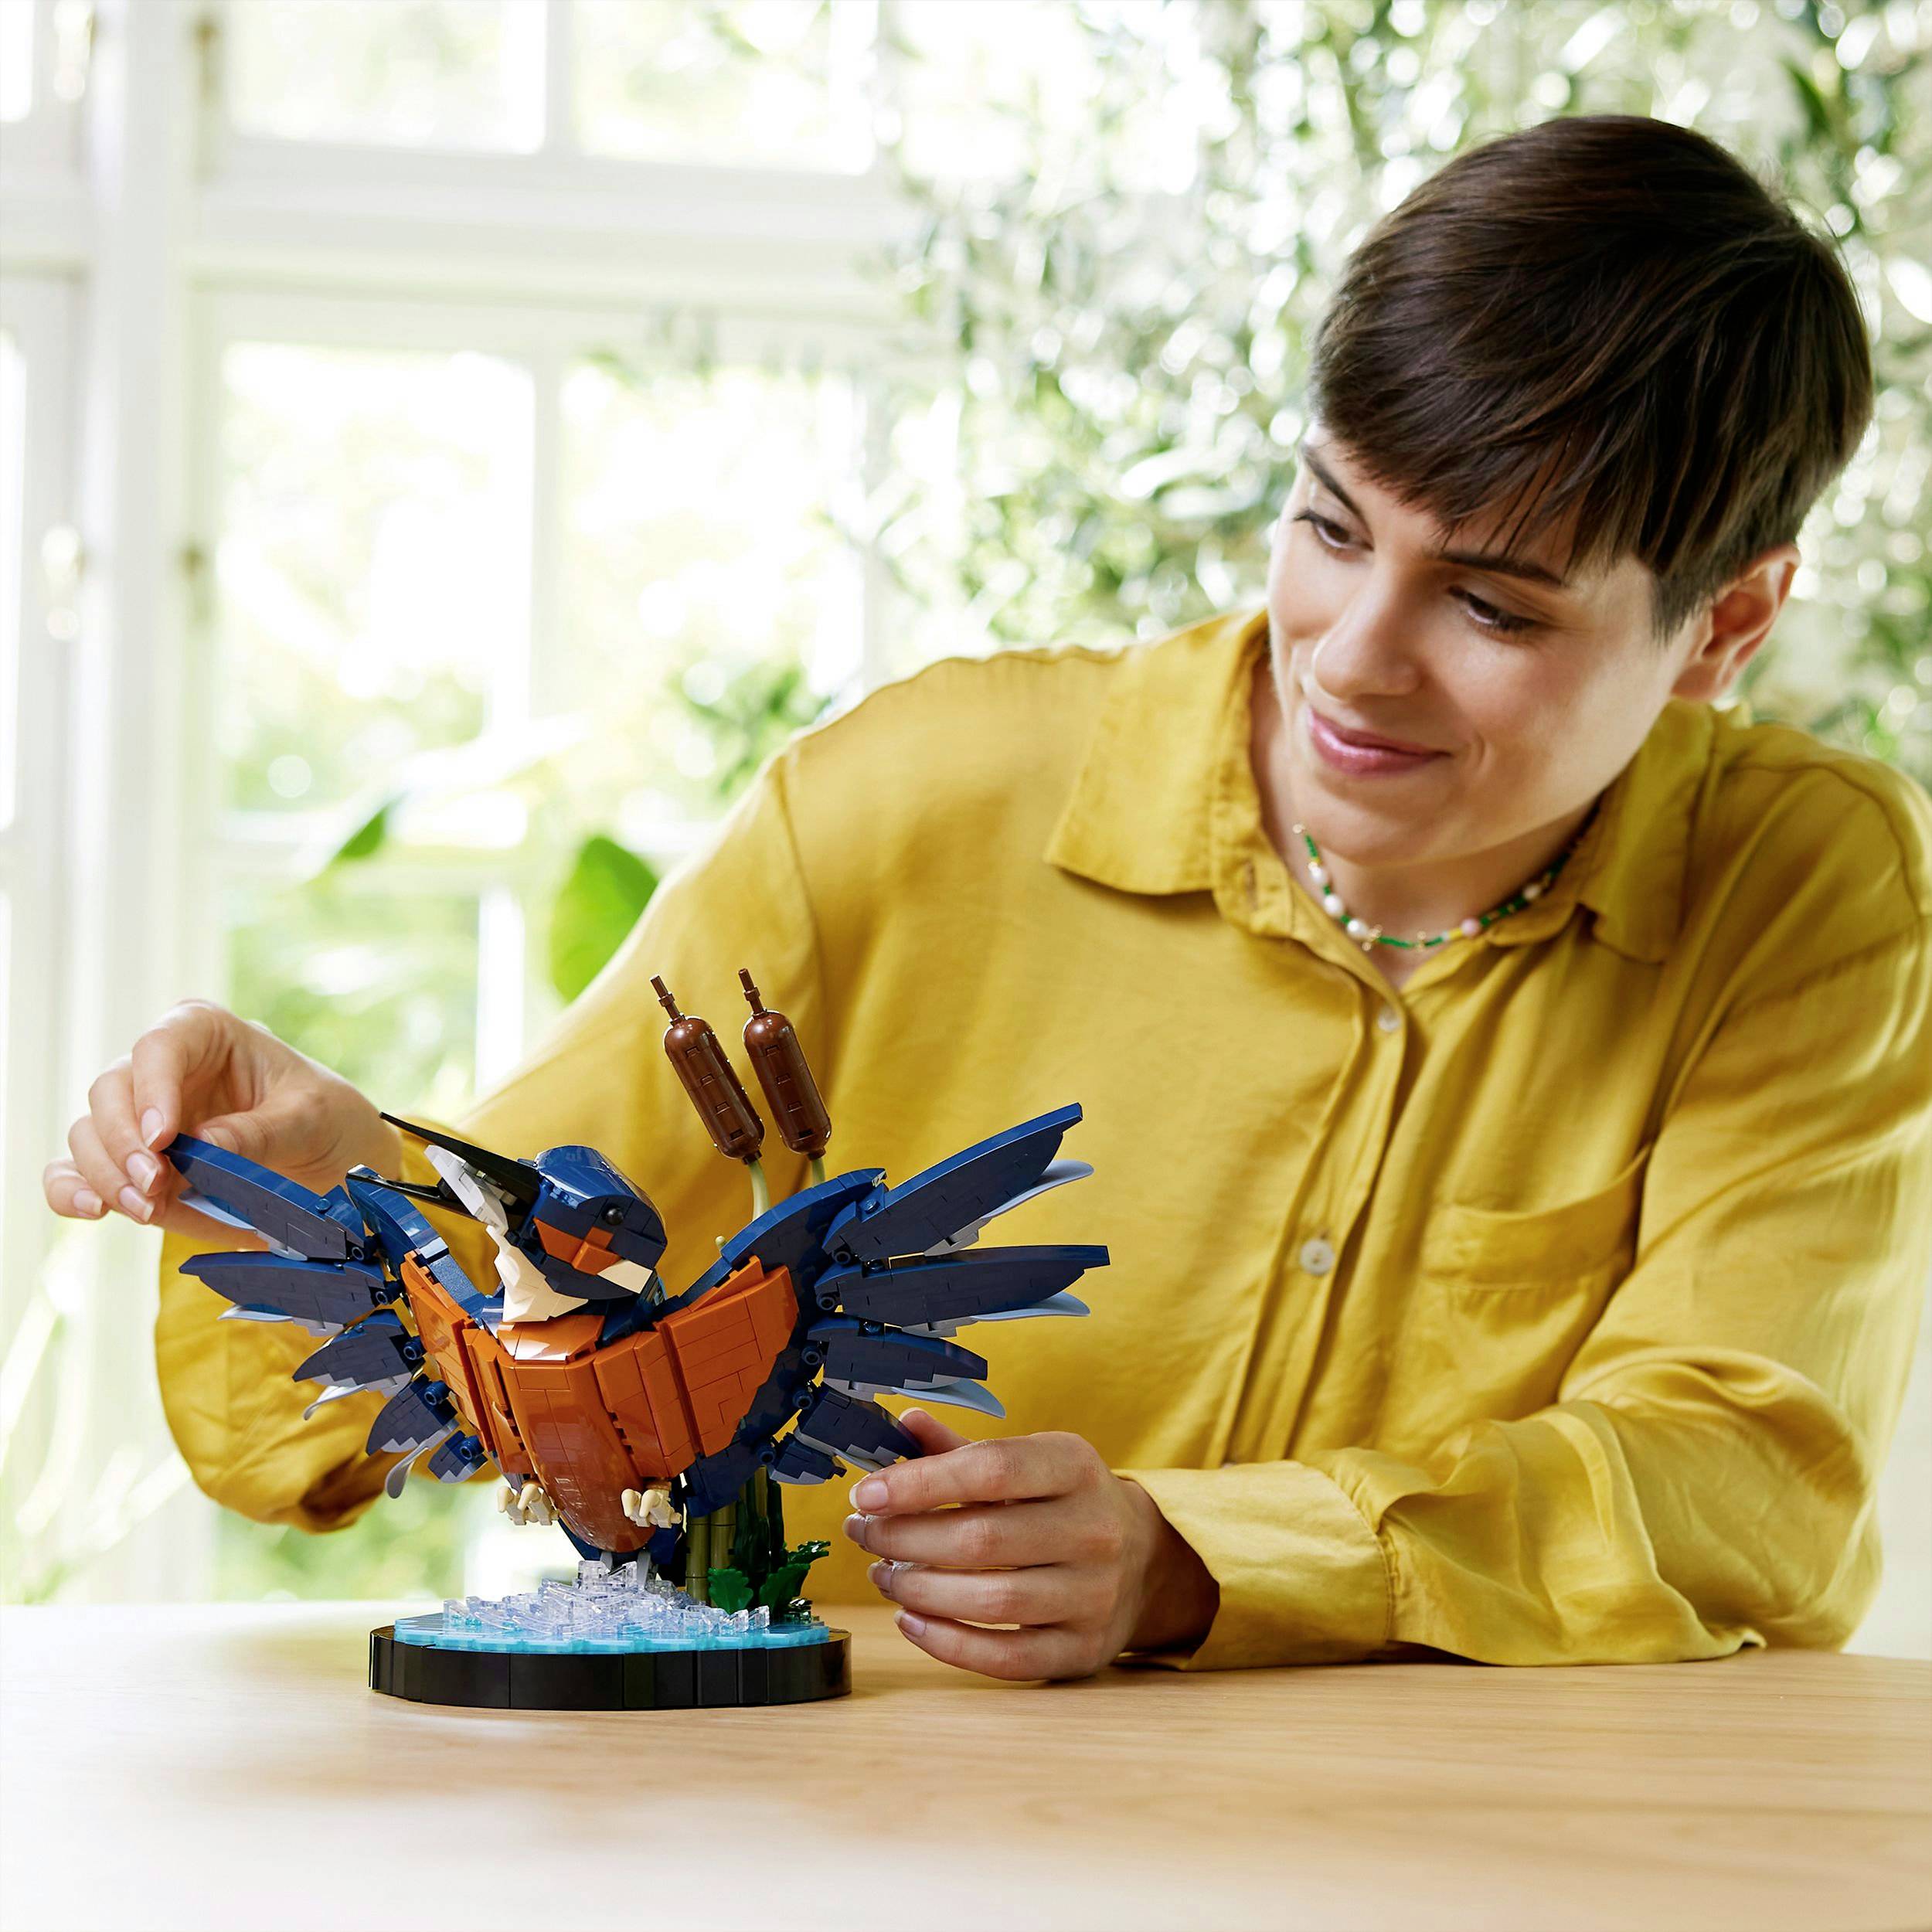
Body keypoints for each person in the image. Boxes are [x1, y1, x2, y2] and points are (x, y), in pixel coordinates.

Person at [45, 115, 1932, 1681]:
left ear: (1726, 626)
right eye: (1329, 524)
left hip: (1478, 1858)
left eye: (1492, 603)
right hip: (861, 1832)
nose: (1353, 657)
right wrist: (321, 1176)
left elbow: (1737, 1480)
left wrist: (1192, 1555)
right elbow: (542, 1293)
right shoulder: (918, 791)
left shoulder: (1804, 885)